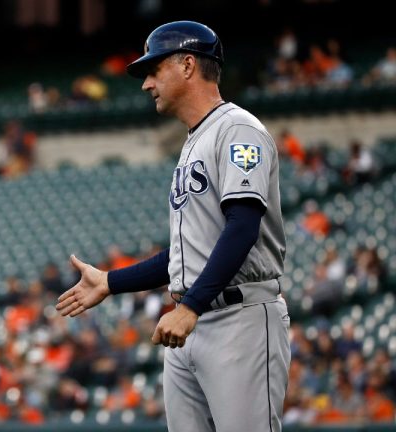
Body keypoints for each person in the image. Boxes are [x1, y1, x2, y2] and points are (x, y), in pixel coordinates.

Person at [55, 21, 290, 432]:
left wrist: (191, 307)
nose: (146, 84)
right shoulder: (193, 141)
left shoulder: (237, 129)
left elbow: (242, 227)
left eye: (153, 70)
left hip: (238, 318)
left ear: (186, 65)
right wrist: (111, 282)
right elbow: (186, 254)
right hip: (189, 322)